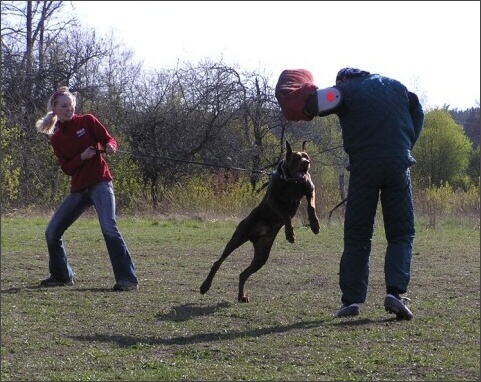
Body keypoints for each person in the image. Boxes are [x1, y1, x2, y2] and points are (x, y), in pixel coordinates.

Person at [275, 68, 424, 320]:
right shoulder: (398, 87)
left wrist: (297, 85)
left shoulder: (343, 91)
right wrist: (405, 146)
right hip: (399, 164)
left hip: (364, 168)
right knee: (401, 233)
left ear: (343, 80)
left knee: (357, 235)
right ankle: (396, 294)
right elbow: (417, 110)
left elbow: (307, 104)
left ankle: (352, 301)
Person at [35, 86, 139, 291]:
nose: (68, 109)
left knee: (109, 228)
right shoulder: (56, 138)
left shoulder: (87, 121)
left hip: (101, 182)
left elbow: (109, 139)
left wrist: (111, 146)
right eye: (64, 106)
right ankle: (62, 275)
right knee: (52, 232)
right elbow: (66, 168)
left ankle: (128, 279)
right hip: (79, 190)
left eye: (71, 106)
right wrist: (82, 157)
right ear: (55, 109)